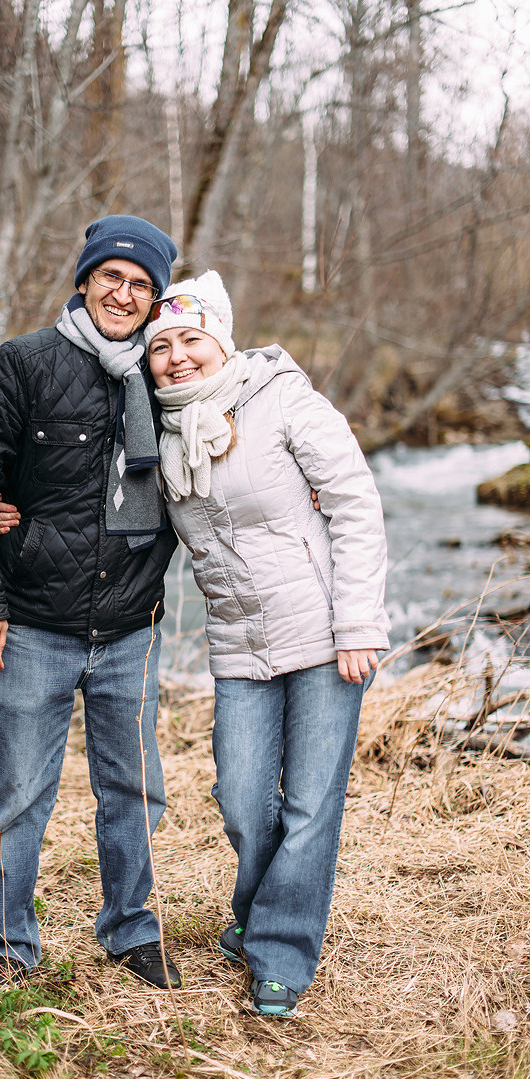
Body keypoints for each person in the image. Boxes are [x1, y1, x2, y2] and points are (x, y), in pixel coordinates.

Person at [142, 270, 391, 1018]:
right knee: (245, 802)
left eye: (191, 339)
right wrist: (13, 508)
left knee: (311, 804)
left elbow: (354, 505)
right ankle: (256, 912)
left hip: (321, 635)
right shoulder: (160, 433)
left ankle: (279, 951)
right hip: (238, 643)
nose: (177, 357)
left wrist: (357, 624)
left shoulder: (284, 400)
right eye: (161, 346)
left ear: (220, 339)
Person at [0, 215, 182, 989]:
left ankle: (130, 930)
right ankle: (8, 946)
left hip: (131, 627)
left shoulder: (167, 373)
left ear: (156, 301)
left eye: (142, 285)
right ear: (84, 279)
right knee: (17, 794)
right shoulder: (22, 364)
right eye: (112, 276)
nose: (125, 293)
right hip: (33, 624)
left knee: (135, 789)